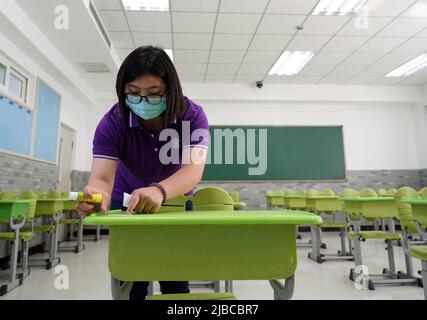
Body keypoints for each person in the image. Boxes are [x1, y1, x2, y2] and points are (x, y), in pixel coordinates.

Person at [76, 45, 209, 300]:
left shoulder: (192, 116)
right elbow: (102, 178)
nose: (143, 101)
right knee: (131, 279)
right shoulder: (113, 121)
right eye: (134, 93)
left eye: (154, 93)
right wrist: (95, 196)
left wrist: (160, 190)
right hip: (127, 203)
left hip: (174, 202)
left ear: (170, 90)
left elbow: (193, 170)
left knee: (175, 282)